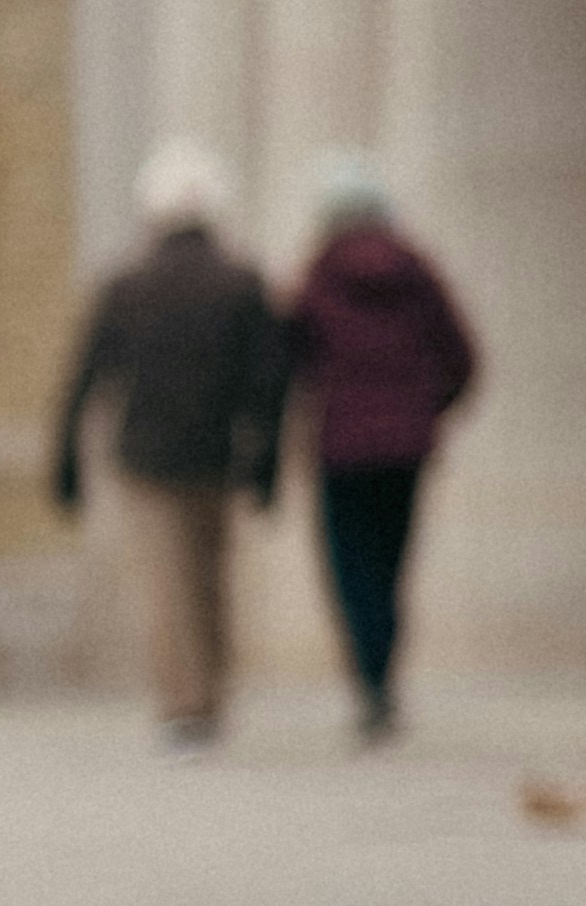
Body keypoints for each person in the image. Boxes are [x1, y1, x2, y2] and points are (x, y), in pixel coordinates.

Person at [52, 141, 289, 745]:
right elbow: (270, 384)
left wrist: (66, 461)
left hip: (148, 456)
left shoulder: (128, 286)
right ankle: (211, 692)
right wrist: (266, 462)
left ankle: (184, 703)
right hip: (217, 452)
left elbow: (86, 378)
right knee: (212, 577)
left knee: (168, 582)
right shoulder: (242, 284)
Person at [283, 156, 478, 742]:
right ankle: (383, 678)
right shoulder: (418, 272)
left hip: (341, 446)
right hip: (405, 447)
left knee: (351, 566)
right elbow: (463, 356)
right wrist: (427, 409)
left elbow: (290, 358)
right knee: (392, 564)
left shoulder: (317, 278)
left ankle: (370, 682)